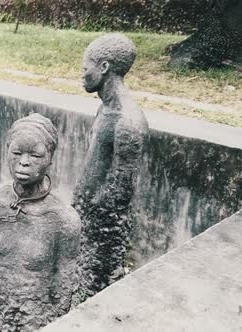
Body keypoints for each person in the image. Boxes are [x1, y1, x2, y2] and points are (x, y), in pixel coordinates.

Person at [0, 113, 81, 331]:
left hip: (32, 320)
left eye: (35, 155)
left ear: (50, 159)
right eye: (17, 153)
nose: (24, 162)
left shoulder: (63, 220)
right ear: (7, 152)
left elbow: (63, 288)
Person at [72, 33, 149, 302]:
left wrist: (91, 217)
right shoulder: (103, 110)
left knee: (95, 289)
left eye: (85, 69)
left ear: (104, 67)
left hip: (101, 226)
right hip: (85, 214)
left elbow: (119, 192)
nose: (81, 75)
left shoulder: (128, 122)